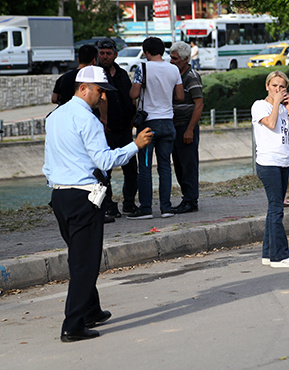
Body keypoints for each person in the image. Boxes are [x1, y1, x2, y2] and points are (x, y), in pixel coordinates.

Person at [43, 65, 153, 342]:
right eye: (99, 91)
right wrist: (135, 145)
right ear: (83, 88)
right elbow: (104, 160)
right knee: (86, 263)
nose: (102, 97)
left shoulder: (54, 117)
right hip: (83, 196)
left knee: (79, 256)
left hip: (60, 195)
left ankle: (91, 309)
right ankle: (73, 325)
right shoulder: (88, 120)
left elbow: (48, 165)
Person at [129, 37, 184, 220]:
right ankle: (166, 208)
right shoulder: (173, 68)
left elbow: (134, 94)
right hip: (168, 123)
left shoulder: (142, 68)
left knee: (145, 167)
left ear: (146, 52)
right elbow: (180, 96)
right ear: (162, 50)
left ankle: (145, 208)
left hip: (148, 125)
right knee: (165, 167)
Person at [252, 71, 289, 268]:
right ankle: (279, 256)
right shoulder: (260, 106)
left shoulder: (282, 108)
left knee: (274, 208)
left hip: (282, 161)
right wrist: (275, 104)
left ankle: (268, 253)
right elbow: (270, 124)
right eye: (275, 86)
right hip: (268, 162)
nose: (279, 90)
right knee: (276, 208)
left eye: (282, 87)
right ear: (267, 86)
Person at [96, 38, 140, 221]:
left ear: (115, 54)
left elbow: (131, 97)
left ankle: (129, 202)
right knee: (105, 171)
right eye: (102, 53)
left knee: (131, 169)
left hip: (125, 129)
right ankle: (108, 206)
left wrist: (133, 118)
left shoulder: (122, 74)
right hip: (105, 130)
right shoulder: (97, 74)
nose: (105, 56)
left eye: (108, 53)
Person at [169, 41, 204, 214]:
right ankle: (187, 198)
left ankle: (191, 200)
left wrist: (190, 129)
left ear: (185, 59)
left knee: (188, 164)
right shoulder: (176, 76)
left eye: (175, 58)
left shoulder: (191, 76)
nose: (171, 61)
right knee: (179, 165)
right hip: (175, 126)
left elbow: (199, 104)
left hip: (185, 126)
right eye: (171, 57)